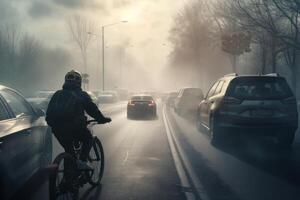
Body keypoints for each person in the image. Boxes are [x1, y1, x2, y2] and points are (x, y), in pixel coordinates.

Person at [46, 70, 111, 169]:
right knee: (88, 138)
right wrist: (102, 119)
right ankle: (82, 161)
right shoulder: (82, 94)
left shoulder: (57, 94)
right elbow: (92, 109)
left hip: (57, 129)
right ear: (79, 82)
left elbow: (49, 111)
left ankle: (68, 178)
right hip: (75, 128)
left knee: (69, 151)